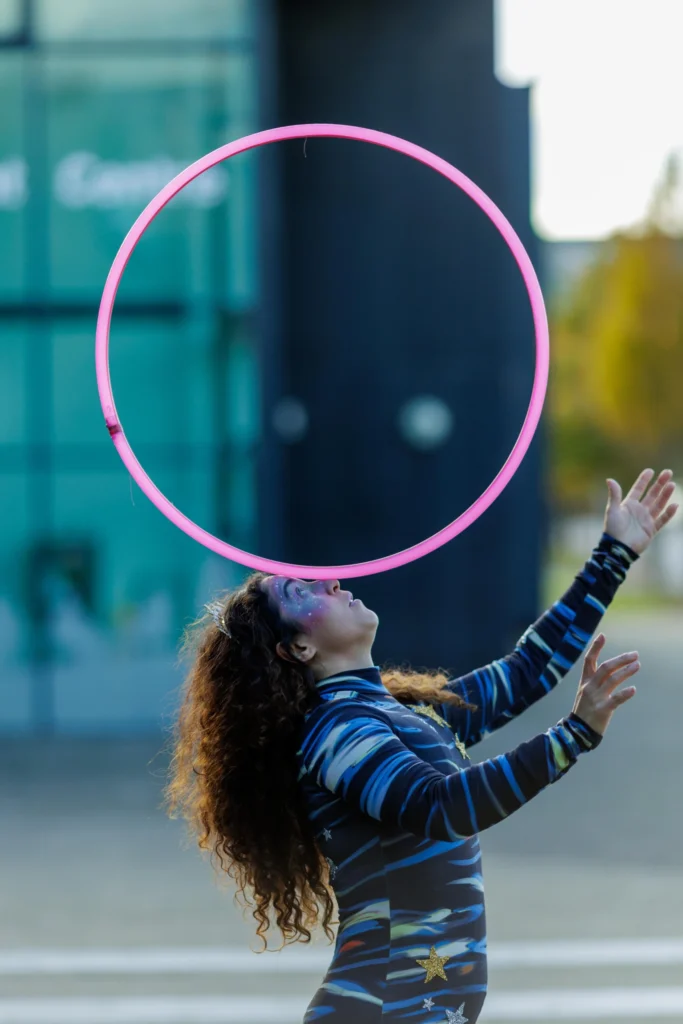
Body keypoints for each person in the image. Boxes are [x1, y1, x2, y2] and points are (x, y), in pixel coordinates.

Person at [164, 468, 678, 1023]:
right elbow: (441, 806)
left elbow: (528, 669)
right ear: (297, 649)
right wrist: (572, 735)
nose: (329, 581)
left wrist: (615, 553)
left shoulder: (403, 712)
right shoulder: (336, 734)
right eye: (300, 591)